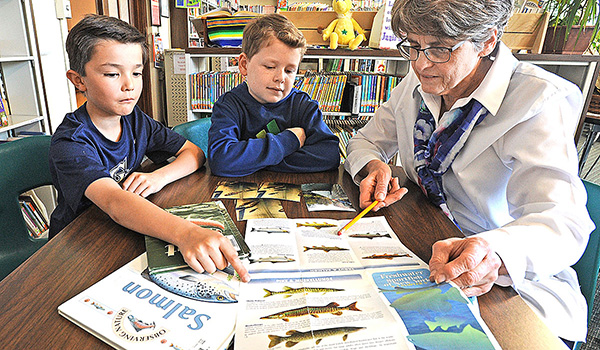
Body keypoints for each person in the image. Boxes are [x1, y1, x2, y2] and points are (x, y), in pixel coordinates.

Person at [344, 0, 595, 343]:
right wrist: (374, 165)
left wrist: (495, 251)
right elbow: (365, 141)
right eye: (413, 47)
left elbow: (563, 223)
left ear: (488, 41)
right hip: (423, 241)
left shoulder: (537, 101)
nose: (420, 64)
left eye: (439, 49)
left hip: (504, 280)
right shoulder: (417, 84)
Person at [49, 14, 249, 282]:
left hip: (127, 229)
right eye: (111, 73)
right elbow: (114, 202)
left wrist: (158, 178)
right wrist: (186, 233)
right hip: (80, 244)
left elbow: (194, 153)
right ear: (79, 80)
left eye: (136, 72)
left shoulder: (135, 119)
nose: (129, 85)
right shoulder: (71, 141)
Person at [207, 13, 340, 177]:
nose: (280, 78)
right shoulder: (229, 105)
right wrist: (290, 140)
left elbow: (329, 156)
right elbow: (222, 160)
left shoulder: (303, 104)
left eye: (290, 70)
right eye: (270, 67)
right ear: (244, 65)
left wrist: (252, 161)